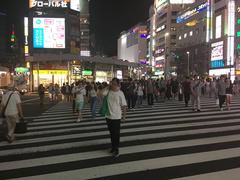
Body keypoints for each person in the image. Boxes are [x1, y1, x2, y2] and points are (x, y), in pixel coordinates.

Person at [105, 78, 127, 158]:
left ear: (118, 85)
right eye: (112, 83)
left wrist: (124, 117)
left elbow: (124, 105)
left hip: (117, 116)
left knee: (116, 134)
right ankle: (113, 147)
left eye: (114, 84)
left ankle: (116, 149)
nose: (113, 85)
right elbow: (99, 94)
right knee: (111, 133)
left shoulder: (120, 93)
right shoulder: (108, 91)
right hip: (108, 116)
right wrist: (108, 86)